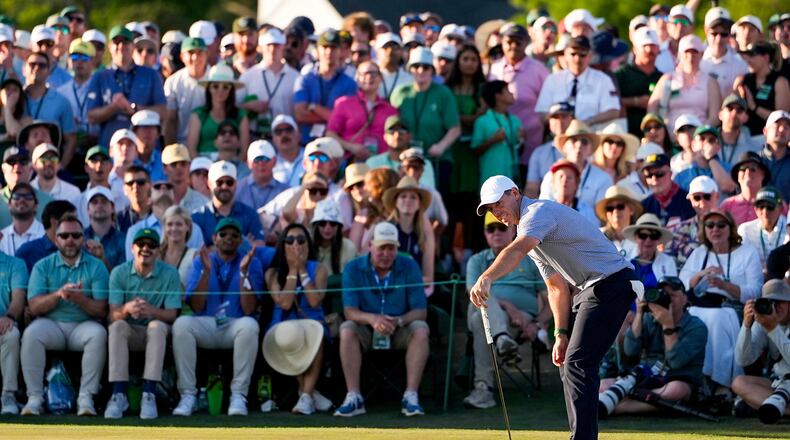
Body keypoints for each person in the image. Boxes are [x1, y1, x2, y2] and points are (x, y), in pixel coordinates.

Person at [470, 175, 640, 440]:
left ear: (514, 193)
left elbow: (515, 251)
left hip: (613, 282)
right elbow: (557, 287)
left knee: (578, 362)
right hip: (591, 289)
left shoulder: (537, 213)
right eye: (491, 209)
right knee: (570, 362)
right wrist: (560, 333)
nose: (496, 212)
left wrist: (487, 276)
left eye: (497, 203)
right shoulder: (535, 237)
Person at [335, 222, 430, 417]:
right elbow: (350, 311)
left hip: (399, 328)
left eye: (391, 248)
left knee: (421, 328)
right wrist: (372, 319)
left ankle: (411, 396)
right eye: (381, 248)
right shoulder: (353, 268)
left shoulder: (409, 265)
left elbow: (420, 311)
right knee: (347, 328)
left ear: (397, 248)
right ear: (370, 246)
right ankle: (354, 397)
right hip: (367, 329)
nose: (386, 254)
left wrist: (399, 321)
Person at [172, 218, 263, 417]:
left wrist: (244, 273)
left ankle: (239, 395)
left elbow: (249, 309)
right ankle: (188, 394)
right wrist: (205, 272)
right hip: (206, 323)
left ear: (241, 241)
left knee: (249, 325)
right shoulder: (201, 261)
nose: (228, 239)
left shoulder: (251, 262)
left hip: (234, 324)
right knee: (181, 324)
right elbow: (196, 306)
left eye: (234, 235)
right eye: (223, 234)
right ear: (215, 238)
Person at [21, 214, 109, 416]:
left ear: (83, 239)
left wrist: (79, 299)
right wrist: (59, 294)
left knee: (98, 334)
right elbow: (33, 307)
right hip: (51, 323)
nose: (70, 240)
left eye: (76, 235)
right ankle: (34, 397)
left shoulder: (96, 266)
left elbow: (101, 310)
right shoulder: (42, 265)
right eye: (64, 235)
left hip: (82, 325)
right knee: (31, 334)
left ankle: (86, 397)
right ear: (56, 239)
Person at [464, 212, 549, 409]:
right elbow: (473, 294)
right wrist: (507, 307)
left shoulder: (531, 258)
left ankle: (483, 388)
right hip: (500, 318)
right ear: (485, 233)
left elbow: (551, 299)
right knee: (482, 297)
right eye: (490, 229)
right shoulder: (476, 261)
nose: (496, 233)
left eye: (501, 228)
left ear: (512, 230)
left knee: (479, 320)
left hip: (521, 322)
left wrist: (537, 324)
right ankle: (502, 339)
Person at [104, 228, 182, 420]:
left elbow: (172, 314)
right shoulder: (119, 273)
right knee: (117, 326)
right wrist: (127, 309)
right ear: (132, 248)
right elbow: (112, 315)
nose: (145, 249)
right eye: (141, 244)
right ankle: (118, 394)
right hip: (129, 330)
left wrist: (152, 311)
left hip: (155, 331)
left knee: (157, 327)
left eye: (152, 245)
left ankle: (149, 394)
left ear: (158, 250)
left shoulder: (170, 274)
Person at [679, 210, 763, 389]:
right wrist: (702, 274)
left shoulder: (747, 252)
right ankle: (697, 379)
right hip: (701, 304)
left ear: (730, 228)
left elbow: (756, 291)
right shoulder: (700, 253)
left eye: (720, 225)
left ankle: (719, 382)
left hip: (733, 308)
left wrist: (724, 285)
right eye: (710, 225)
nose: (715, 229)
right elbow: (683, 282)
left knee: (717, 319)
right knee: (694, 316)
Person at [603, 276, 707, 415]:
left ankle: (621, 406)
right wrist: (640, 314)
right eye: (664, 294)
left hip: (677, 378)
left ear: (685, 299)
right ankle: (650, 402)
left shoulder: (697, 327)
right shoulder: (649, 319)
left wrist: (667, 325)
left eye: (672, 295)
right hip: (646, 377)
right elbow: (630, 351)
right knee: (602, 385)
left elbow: (676, 362)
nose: (667, 299)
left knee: (676, 390)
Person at [263, 223, 331, 414]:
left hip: (312, 322)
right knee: (291, 336)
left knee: (314, 335)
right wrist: (292, 271)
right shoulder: (273, 273)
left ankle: (306, 395)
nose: (296, 244)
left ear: (308, 245)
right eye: (290, 240)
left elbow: (315, 300)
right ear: (282, 245)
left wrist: (302, 270)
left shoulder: (319, 269)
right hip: (283, 327)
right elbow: (284, 303)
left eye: (301, 240)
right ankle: (309, 394)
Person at [390, 46, 460, 194]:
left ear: (432, 70)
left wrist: (441, 146)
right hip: (406, 159)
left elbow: (455, 128)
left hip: (434, 160)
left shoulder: (443, 93)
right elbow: (391, 124)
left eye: (426, 67)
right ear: (410, 69)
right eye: (416, 66)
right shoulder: (400, 93)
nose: (420, 70)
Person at [86, 25, 166, 148]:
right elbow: (91, 116)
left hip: (144, 151)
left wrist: (134, 109)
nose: (121, 46)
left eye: (125, 42)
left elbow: (162, 112)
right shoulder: (100, 77)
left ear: (133, 46)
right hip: (110, 148)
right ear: (109, 47)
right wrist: (113, 107)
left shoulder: (151, 75)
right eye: (116, 42)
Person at [732, 279, 790, 422]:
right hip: (781, 384)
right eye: (771, 302)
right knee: (739, 383)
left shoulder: (769, 324)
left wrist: (773, 329)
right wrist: (746, 325)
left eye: (780, 302)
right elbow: (743, 359)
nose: (776, 307)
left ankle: (773, 409)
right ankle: (781, 411)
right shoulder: (764, 320)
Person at [535, 35, 621, 129]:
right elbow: (541, 112)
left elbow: (613, 111)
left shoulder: (602, 80)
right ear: (565, 55)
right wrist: (559, 121)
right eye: (573, 54)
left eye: (582, 55)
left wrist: (587, 122)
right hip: (559, 136)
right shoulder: (553, 80)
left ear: (590, 56)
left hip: (591, 136)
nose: (577, 59)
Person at [648, 35, 722, 134]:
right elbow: (652, 108)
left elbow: (714, 117)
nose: (690, 56)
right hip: (669, 136)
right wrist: (661, 132)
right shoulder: (668, 78)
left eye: (694, 52)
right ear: (679, 54)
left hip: (700, 137)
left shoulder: (710, 82)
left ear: (702, 54)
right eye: (686, 52)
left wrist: (698, 133)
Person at [293, 29, 357, 143]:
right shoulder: (305, 80)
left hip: (335, 144)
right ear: (317, 50)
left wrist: (315, 108)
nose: (329, 52)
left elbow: (346, 120)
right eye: (325, 47)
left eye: (333, 48)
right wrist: (333, 116)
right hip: (306, 144)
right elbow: (300, 114)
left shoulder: (349, 83)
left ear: (340, 51)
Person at [327, 62, 397, 161]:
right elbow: (330, 134)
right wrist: (350, 147)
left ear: (381, 78)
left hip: (381, 164)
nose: (369, 77)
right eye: (364, 74)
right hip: (351, 161)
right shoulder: (344, 104)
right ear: (357, 79)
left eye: (373, 73)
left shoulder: (390, 110)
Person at [125, 172, 204, 260]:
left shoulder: (193, 229)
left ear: (175, 197)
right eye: (157, 187)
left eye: (169, 187)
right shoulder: (135, 231)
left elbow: (197, 264)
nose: (163, 188)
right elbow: (133, 268)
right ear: (148, 199)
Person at [238, 28, 299, 140]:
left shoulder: (296, 77)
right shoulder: (248, 76)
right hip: (255, 136)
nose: (272, 50)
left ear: (283, 47)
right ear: (261, 48)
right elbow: (234, 106)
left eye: (276, 45)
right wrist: (249, 106)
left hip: (285, 137)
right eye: (268, 45)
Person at [539, 120, 611, 209]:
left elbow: (600, 215)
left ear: (591, 150)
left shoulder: (603, 179)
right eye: (573, 140)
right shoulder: (551, 176)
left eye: (584, 142)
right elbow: (544, 208)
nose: (579, 145)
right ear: (564, 147)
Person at [22, 51, 77, 168]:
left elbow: (71, 140)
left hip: (49, 166)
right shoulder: (15, 98)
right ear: (24, 69)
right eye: (32, 64)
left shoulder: (61, 101)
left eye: (42, 65)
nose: (37, 68)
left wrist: (61, 167)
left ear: (49, 72)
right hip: (19, 166)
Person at [191, 160, 262, 247]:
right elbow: (196, 252)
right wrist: (242, 245)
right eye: (219, 182)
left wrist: (215, 247)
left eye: (229, 182)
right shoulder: (198, 216)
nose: (224, 186)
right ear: (209, 184)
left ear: (236, 184)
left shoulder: (250, 214)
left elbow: (260, 245)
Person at [382, 175, 435, 288]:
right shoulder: (385, 230)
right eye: (403, 196)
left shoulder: (425, 235)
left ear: (419, 204)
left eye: (413, 197)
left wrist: (406, 281)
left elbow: (428, 279)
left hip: (414, 293)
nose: (408, 200)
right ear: (396, 202)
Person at [187, 64, 249, 160]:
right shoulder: (198, 115)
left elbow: (244, 152)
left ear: (231, 90)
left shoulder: (241, 115)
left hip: (234, 167)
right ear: (209, 89)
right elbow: (191, 150)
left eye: (225, 87)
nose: (220, 91)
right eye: (215, 86)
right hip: (203, 167)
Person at [734, 41, 790, 138]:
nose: (748, 60)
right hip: (744, 135)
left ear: (765, 58)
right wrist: (735, 89)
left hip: (768, 137)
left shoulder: (779, 81)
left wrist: (754, 107)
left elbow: (781, 118)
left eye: (752, 56)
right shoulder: (745, 79)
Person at [471, 80, 521, 186]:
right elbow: (475, 150)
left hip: (512, 178)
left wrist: (522, 140)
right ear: (497, 96)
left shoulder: (516, 120)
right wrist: (492, 141)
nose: (511, 93)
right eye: (507, 90)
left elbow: (519, 149)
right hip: (490, 179)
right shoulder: (482, 121)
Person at [616, 27, 663, 137]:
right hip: (626, 135)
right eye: (644, 46)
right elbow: (610, 102)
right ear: (635, 50)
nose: (649, 50)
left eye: (653, 46)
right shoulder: (621, 74)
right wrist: (635, 101)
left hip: (655, 136)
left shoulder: (662, 77)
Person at [365, 115, 436, 188]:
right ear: (385, 136)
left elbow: (428, 191)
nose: (397, 135)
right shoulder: (372, 163)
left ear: (410, 136)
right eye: (391, 131)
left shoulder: (423, 163)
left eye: (402, 130)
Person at [665, 176, 721, 267]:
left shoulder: (729, 227)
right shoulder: (680, 229)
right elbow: (668, 262)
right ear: (690, 199)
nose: (702, 203)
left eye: (707, 197)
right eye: (697, 198)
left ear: (717, 196)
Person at [163, 37, 208, 145]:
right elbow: (170, 120)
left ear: (206, 55)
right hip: (182, 143)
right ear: (182, 57)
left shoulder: (215, 78)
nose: (195, 57)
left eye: (200, 52)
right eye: (191, 52)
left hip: (210, 143)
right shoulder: (173, 82)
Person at [526, 102, 574, 198]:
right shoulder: (539, 153)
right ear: (549, 122)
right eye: (555, 117)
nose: (559, 121)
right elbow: (531, 189)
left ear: (572, 120)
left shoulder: (584, 149)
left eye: (564, 116)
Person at [0, 243, 26, 415]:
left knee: (11, 334)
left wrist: (8, 316)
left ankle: (8, 395)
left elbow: (18, 299)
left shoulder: (16, 264)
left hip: (2, 324)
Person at [57, 39, 98, 147]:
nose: (79, 62)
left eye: (84, 58)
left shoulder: (101, 88)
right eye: (74, 57)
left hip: (95, 146)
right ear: (69, 61)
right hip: (69, 147)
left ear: (93, 61)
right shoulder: (61, 92)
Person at [16, 200, 75, 272]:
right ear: (54, 222)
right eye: (71, 220)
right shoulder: (27, 252)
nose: (76, 224)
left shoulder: (80, 249)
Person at [672, 125, 735, 194]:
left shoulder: (729, 168)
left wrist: (711, 158)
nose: (706, 143)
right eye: (702, 139)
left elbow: (728, 187)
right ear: (693, 145)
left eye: (711, 140)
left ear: (718, 147)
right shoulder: (681, 176)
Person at [701, 9, 748, 99]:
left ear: (730, 34)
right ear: (706, 31)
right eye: (714, 33)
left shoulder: (741, 64)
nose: (719, 39)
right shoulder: (696, 59)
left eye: (724, 34)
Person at [624, 214, 678, 292]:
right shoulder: (624, 260)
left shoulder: (667, 262)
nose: (648, 240)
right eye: (643, 235)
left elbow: (672, 293)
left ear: (658, 239)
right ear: (636, 237)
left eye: (654, 236)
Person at [737, 186, 788, 269]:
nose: (765, 212)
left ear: (780, 208)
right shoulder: (745, 230)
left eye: (770, 207)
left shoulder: (788, 229)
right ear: (755, 209)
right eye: (761, 207)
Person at [721, 151, 776, 225]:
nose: (747, 172)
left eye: (753, 169)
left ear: (763, 174)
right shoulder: (727, 205)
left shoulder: (774, 203)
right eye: (743, 169)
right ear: (737, 176)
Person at [640, 152, 695, 225]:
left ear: (670, 174)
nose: (654, 179)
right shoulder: (644, 206)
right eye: (649, 176)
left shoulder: (689, 201)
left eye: (659, 174)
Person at [310, 199, 357, 276]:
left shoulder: (349, 247)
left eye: (333, 224)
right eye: (322, 223)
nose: (327, 228)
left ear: (339, 226)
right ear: (316, 226)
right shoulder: (306, 246)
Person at [83, 186, 125, 270]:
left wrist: (103, 259)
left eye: (104, 201)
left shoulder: (123, 239)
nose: (99, 205)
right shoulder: (79, 237)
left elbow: (122, 277)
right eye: (94, 202)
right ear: (88, 209)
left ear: (113, 208)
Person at [596, 185, 643, 259]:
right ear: (606, 214)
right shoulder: (596, 236)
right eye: (610, 208)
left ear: (631, 210)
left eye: (620, 206)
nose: (615, 211)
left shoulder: (643, 238)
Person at [29, 142, 80, 208]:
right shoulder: (27, 192)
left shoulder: (73, 192)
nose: (49, 163)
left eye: (54, 159)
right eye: (43, 160)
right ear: (34, 166)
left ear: (59, 165)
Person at [159, 205, 199, 287]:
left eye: (179, 224)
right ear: (164, 227)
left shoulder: (194, 256)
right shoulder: (156, 253)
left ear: (187, 227)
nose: (174, 229)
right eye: (169, 224)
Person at [547, 160, 598, 224]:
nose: (564, 180)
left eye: (569, 177)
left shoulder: (587, 213)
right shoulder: (545, 209)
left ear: (576, 184)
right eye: (561, 176)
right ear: (553, 182)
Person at [0, 183, 43, 255]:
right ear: (9, 204)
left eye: (28, 196)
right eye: (16, 196)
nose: (22, 200)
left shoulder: (45, 235)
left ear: (36, 205)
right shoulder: (2, 236)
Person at [718, 95, 761, 165]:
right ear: (720, 115)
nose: (734, 114)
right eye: (730, 109)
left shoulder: (753, 147)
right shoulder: (706, 142)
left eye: (739, 111)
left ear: (746, 118)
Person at [760, 111, 790, 201]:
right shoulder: (754, 160)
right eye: (777, 125)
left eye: (787, 127)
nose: (782, 130)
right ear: (765, 131)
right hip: (757, 213)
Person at [270, 114, 305, 188]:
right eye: (278, 132)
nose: (284, 134)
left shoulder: (312, 159)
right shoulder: (269, 165)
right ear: (273, 139)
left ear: (298, 135)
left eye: (288, 130)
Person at [375, 33, 412, 101]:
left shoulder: (409, 79)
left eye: (395, 47)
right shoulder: (369, 75)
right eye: (386, 47)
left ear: (401, 52)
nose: (390, 51)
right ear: (377, 52)